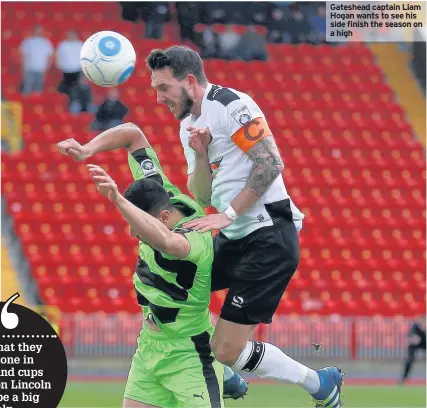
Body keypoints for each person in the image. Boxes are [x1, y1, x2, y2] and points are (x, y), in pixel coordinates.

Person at [146, 45, 344, 407]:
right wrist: (203, 153)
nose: (159, 98)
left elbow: (270, 164)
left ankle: (320, 383)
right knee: (170, 280)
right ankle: (225, 371)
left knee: (225, 348)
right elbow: (201, 191)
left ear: (189, 81)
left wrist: (230, 214)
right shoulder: (188, 125)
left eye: (163, 88)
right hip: (235, 237)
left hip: (267, 238)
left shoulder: (232, 105)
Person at [56, 124, 248, 407]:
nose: (133, 235)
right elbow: (133, 134)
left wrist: (119, 201)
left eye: (138, 227)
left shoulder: (196, 235)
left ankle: (219, 373)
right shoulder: (158, 189)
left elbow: (170, 244)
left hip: (189, 353)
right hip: (150, 347)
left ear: (164, 217)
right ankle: (225, 376)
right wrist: (87, 149)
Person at [19, 25, 54, 94]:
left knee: (39, 87)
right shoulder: (27, 42)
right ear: (33, 31)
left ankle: (37, 103)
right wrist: (23, 67)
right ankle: (26, 102)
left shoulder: (46, 42)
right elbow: (24, 55)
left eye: (39, 31)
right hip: (29, 68)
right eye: (36, 30)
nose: (38, 32)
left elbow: (49, 57)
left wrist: (47, 67)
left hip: (41, 68)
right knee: (27, 87)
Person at [400, 315, 426, 384]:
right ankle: (404, 379)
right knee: (409, 361)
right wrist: (413, 337)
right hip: (414, 345)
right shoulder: (415, 326)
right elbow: (410, 334)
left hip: (425, 343)